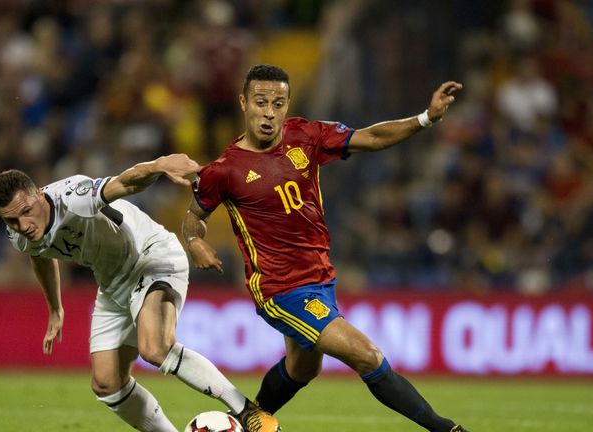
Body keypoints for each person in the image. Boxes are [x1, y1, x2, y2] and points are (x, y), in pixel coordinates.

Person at [182, 65, 469, 432]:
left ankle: (246, 421)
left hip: (320, 277)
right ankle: (447, 429)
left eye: (278, 103)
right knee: (367, 356)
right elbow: (193, 217)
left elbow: (373, 137)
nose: (269, 112)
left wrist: (426, 118)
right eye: (261, 102)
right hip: (280, 287)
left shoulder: (307, 134)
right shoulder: (224, 169)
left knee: (303, 368)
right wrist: (195, 242)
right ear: (243, 103)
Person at [0, 154, 279, 432]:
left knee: (155, 349)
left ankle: (249, 412)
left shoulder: (72, 197)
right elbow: (40, 255)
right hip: (113, 282)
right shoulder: (18, 234)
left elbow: (126, 182)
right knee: (106, 384)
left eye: (26, 212)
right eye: (11, 221)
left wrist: (158, 166)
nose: (22, 225)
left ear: (38, 194)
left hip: (150, 255)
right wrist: (55, 307)